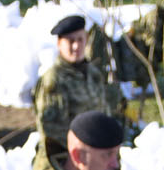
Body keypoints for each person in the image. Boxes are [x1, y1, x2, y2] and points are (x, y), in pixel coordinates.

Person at [32, 14, 132, 154]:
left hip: (97, 152)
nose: (76, 46)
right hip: (72, 157)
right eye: (70, 41)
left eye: (80, 39)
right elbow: (52, 131)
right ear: (59, 44)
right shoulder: (54, 79)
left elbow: (104, 112)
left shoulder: (93, 73)